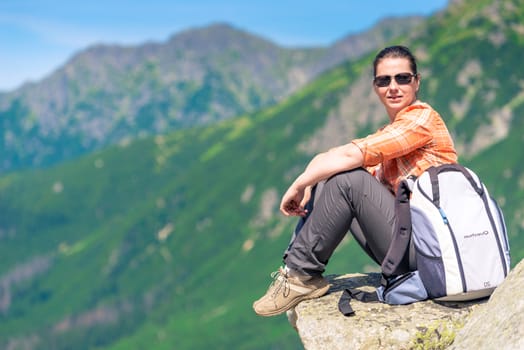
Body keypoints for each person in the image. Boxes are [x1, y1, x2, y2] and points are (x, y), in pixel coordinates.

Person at [253, 45, 458, 317]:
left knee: (347, 180)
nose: (393, 87)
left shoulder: (422, 119)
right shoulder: (392, 132)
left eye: (402, 78)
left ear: (417, 82)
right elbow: (332, 159)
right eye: (383, 80)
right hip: (410, 245)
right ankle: (294, 274)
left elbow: (351, 156)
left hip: (430, 252)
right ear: (375, 87)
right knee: (332, 178)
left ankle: (300, 275)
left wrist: (299, 184)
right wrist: (312, 182)